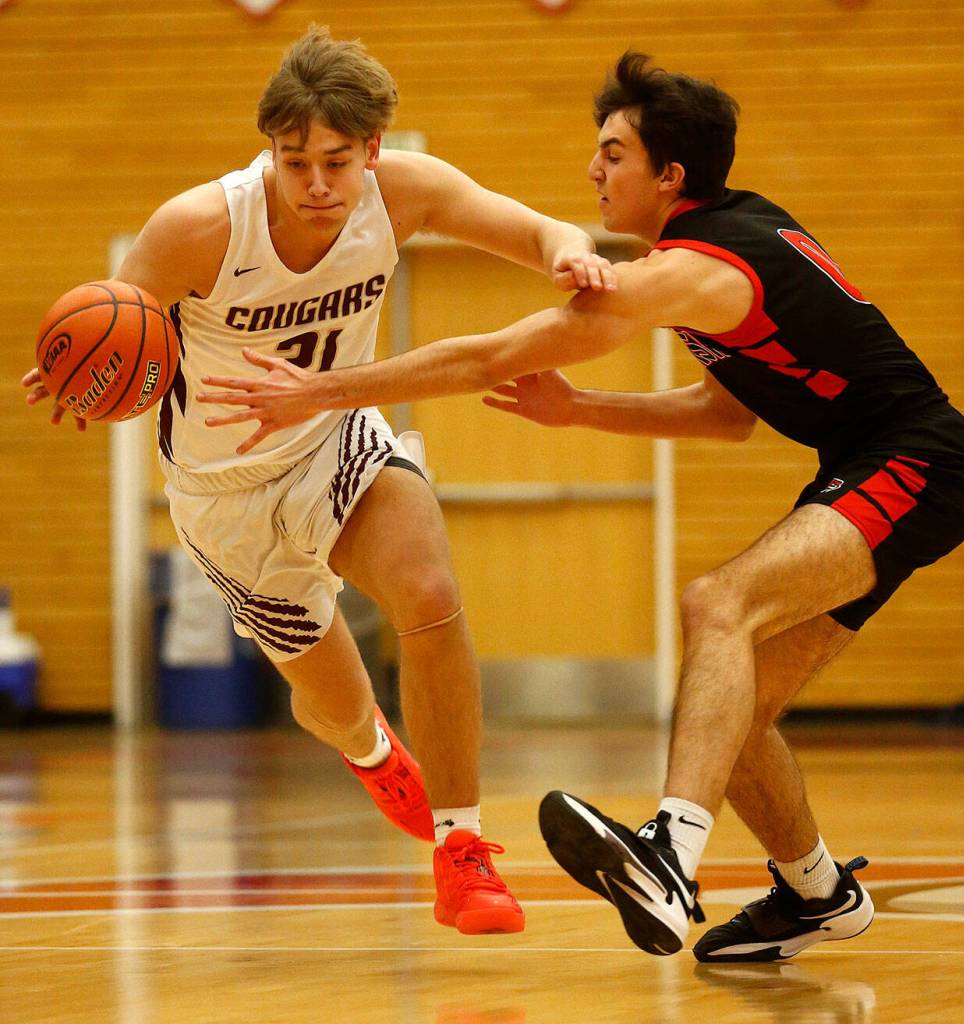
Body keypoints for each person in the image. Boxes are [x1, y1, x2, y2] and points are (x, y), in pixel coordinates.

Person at [190, 51, 964, 960]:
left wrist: (322, 390)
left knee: (714, 604)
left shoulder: (690, 267)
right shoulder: (724, 245)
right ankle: (816, 892)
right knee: (736, 709)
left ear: (670, 175)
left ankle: (670, 851)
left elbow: (488, 356)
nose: (593, 171)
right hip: (883, 465)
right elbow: (726, 416)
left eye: (613, 154)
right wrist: (580, 409)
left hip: (917, 461)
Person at [21, 25, 620, 937]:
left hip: (334, 439)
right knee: (336, 711)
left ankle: (462, 854)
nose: (315, 183)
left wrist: (569, 256)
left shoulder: (406, 193)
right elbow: (116, 323)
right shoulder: (199, 228)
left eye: (336, 162)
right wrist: (78, 371)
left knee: (428, 591)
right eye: (293, 160)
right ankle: (375, 752)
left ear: (373, 150)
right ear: (269, 149)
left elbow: (536, 227)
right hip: (225, 500)